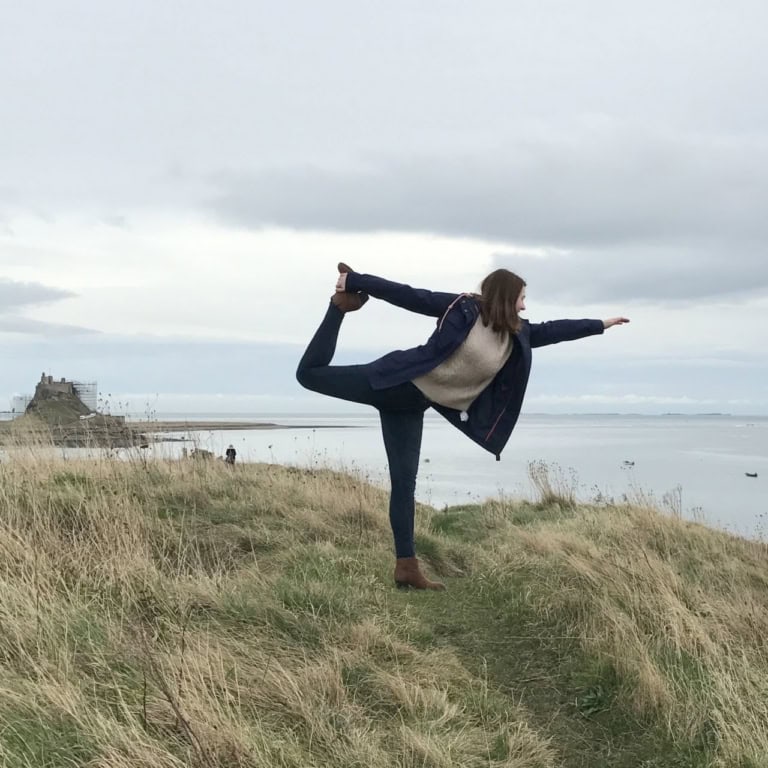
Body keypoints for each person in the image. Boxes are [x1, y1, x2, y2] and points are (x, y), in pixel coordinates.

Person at [296, 263, 629, 591]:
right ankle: (338, 308)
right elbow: (410, 296)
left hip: (412, 405)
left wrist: (601, 324)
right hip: (391, 380)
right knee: (308, 375)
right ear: (506, 295)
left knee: (404, 484)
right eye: (522, 298)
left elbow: (556, 330)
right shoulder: (464, 308)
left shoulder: (517, 334)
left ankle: (406, 567)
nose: (525, 305)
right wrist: (354, 280)